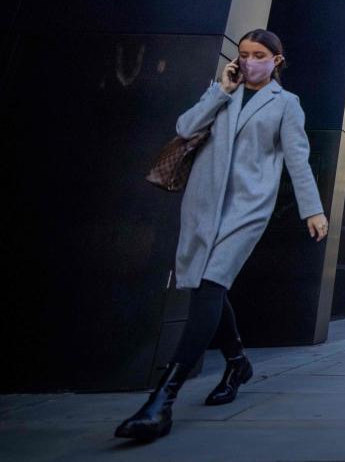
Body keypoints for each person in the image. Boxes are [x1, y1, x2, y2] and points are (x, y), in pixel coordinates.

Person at [115, 30, 328, 442]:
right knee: (205, 290)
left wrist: (313, 209)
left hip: (247, 208)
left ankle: (163, 400)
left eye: (259, 55)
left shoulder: (286, 104)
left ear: (276, 60)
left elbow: (297, 158)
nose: (250, 61)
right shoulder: (222, 91)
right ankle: (237, 362)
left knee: (211, 284)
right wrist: (221, 92)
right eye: (244, 54)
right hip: (202, 203)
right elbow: (185, 127)